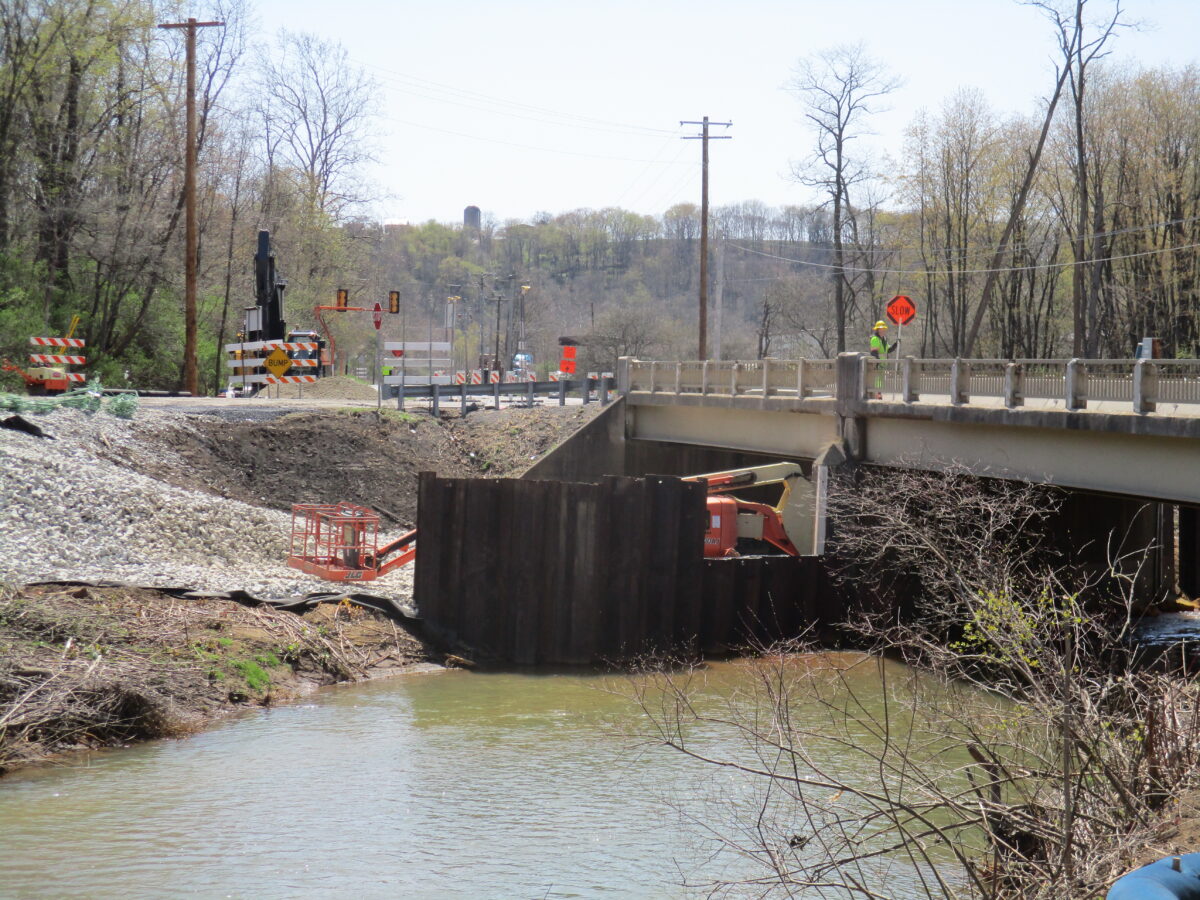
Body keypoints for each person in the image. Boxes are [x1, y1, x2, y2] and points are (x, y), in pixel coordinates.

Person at [868, 320, 899, 399]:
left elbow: (888, 350)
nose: (883, 330)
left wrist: (895, 345)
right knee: (877, 379)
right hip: (877, 363)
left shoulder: (884, 339)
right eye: (881, 329)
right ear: (877, 329)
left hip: (882, 363)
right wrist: (877, 361)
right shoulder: (875, 339)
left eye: (884, 329)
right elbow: (874, 352)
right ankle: (877, 395)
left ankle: (878, 394)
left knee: (880, 380)